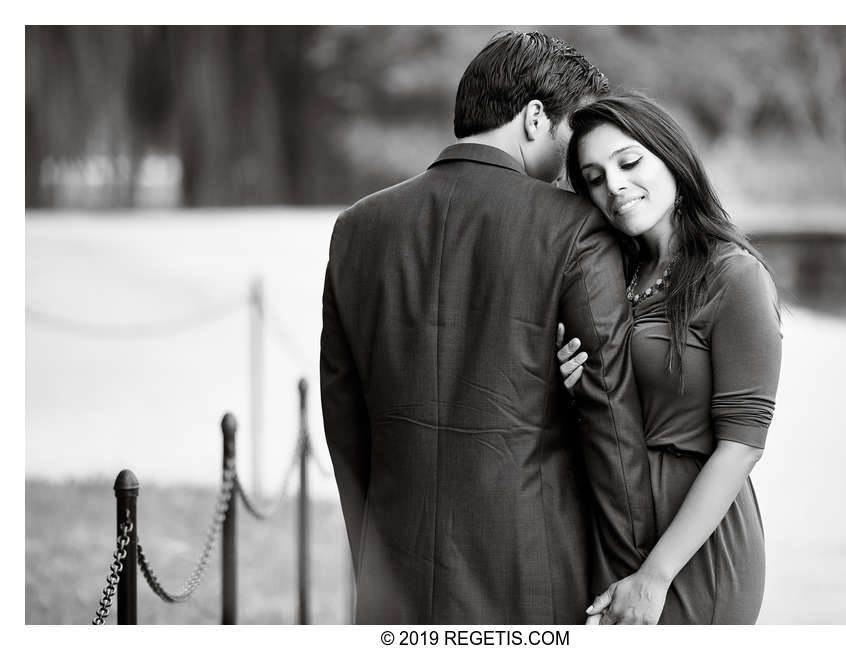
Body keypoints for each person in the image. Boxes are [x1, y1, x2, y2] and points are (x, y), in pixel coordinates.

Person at [320, 33, 656, 624]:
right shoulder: (577, 229)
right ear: (534, 118)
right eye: (571, 134)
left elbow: (343, 424)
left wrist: (370, 560)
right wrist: (633, 569)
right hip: (535, 580)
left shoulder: (357, 226)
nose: (574, 166)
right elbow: (610, 417)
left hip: (392, 580)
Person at [556, 92, 783, 624]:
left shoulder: (734, 275)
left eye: (629, 162)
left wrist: (655, 577)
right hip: (611, 518)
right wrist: (570, 387)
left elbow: (742, 446)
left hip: (693, 548)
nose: (613, 185)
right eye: (593, 177)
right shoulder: (609, 275)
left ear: (672, 157)